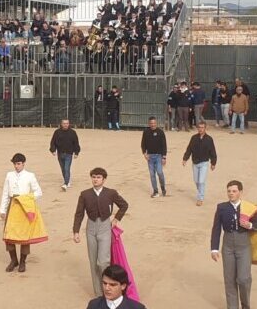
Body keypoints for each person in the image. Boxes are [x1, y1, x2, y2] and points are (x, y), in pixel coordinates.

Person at [210, 180, 257, 309]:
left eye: (234, 191)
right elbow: (216, 228)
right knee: (229, 278)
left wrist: (250, 225)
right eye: (229, 191)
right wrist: (214, 249)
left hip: (244, 244)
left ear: (240, 192)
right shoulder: (221, 207)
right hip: (227, 245)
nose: (231, 194)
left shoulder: (249, 208)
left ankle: (245, 305)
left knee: (243, 278)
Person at [72, 168, 129, 296]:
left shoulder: (111, 193)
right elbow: (79, 214)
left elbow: (124, 205)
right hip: (91, 228)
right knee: (93, 262)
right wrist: (76, 231)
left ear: (104, 179)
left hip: (105, 227)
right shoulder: (85, 194)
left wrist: (116, 219)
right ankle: (99, 294)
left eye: (98, 177)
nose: (95, 179)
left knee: (103, 262)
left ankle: (107, 289)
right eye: (93, 177)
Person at [0, 153, 46, 273]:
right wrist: (2, 210)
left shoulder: (30, 175)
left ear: (23, 163)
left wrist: (26, 199)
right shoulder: (9, 175)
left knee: (24, 235)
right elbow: (5, 193)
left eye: (19, 164)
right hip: (12, 204)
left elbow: (38, 192)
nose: (16, 166)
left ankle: (22, 261)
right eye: (15, 164)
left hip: (24, 207)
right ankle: (13, 260)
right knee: (9, 235)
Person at [182, 122, 218, 206]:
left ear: (205, 128)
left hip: (204, 162)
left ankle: (200, 198)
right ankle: (201, 192)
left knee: (201, 181)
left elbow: (213, 151)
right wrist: (185, 159)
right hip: (195, 162)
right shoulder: (194, 138)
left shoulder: (209, 139)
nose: (200, 129)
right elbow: (189, 149)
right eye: (199, 127)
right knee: (196, 181)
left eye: (202, 127)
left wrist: (213, 163)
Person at [49, 118, 81, 191]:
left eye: (67, 123)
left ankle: (65, 184)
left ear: (69, 124)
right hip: (60, 154)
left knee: (67, 169)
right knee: (63, 169)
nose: (66, 125)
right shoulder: (57, 132)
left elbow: (76, 143)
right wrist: (53, 150)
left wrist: (76, 152)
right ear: (61, 124)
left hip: (69, 154)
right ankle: (67, 180)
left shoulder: (73, 132)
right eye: (64, 123)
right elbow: (53, 142)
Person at [139, 116, 168, 198]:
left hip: (159, 156)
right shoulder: (146, 132)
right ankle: (155, 191)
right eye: (151, 123)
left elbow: (164, 145)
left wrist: (164, 157)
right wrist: (144, 153)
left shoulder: (160, 132)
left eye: (154, 123)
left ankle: (163, 188)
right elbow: (143, 144)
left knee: (159, 172)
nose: (153, 125)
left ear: (156, 123)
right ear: (149, 124)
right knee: (152, 174)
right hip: (150, 157)